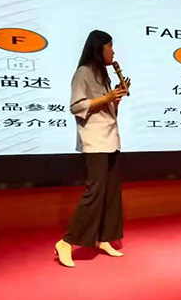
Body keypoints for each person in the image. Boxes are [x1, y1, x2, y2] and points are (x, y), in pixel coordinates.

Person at [54, 30, 130, 268]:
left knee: (111, 192)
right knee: (95, 192)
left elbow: (109, 112)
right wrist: (107, 98)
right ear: (99, 49)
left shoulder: (103, 75)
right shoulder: (83, 73)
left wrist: (116, 98)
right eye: (110, 47)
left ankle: (105, 238)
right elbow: (76, 106)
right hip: (95, 141)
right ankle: (66, 242)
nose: (113, 52)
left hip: (111, 139)